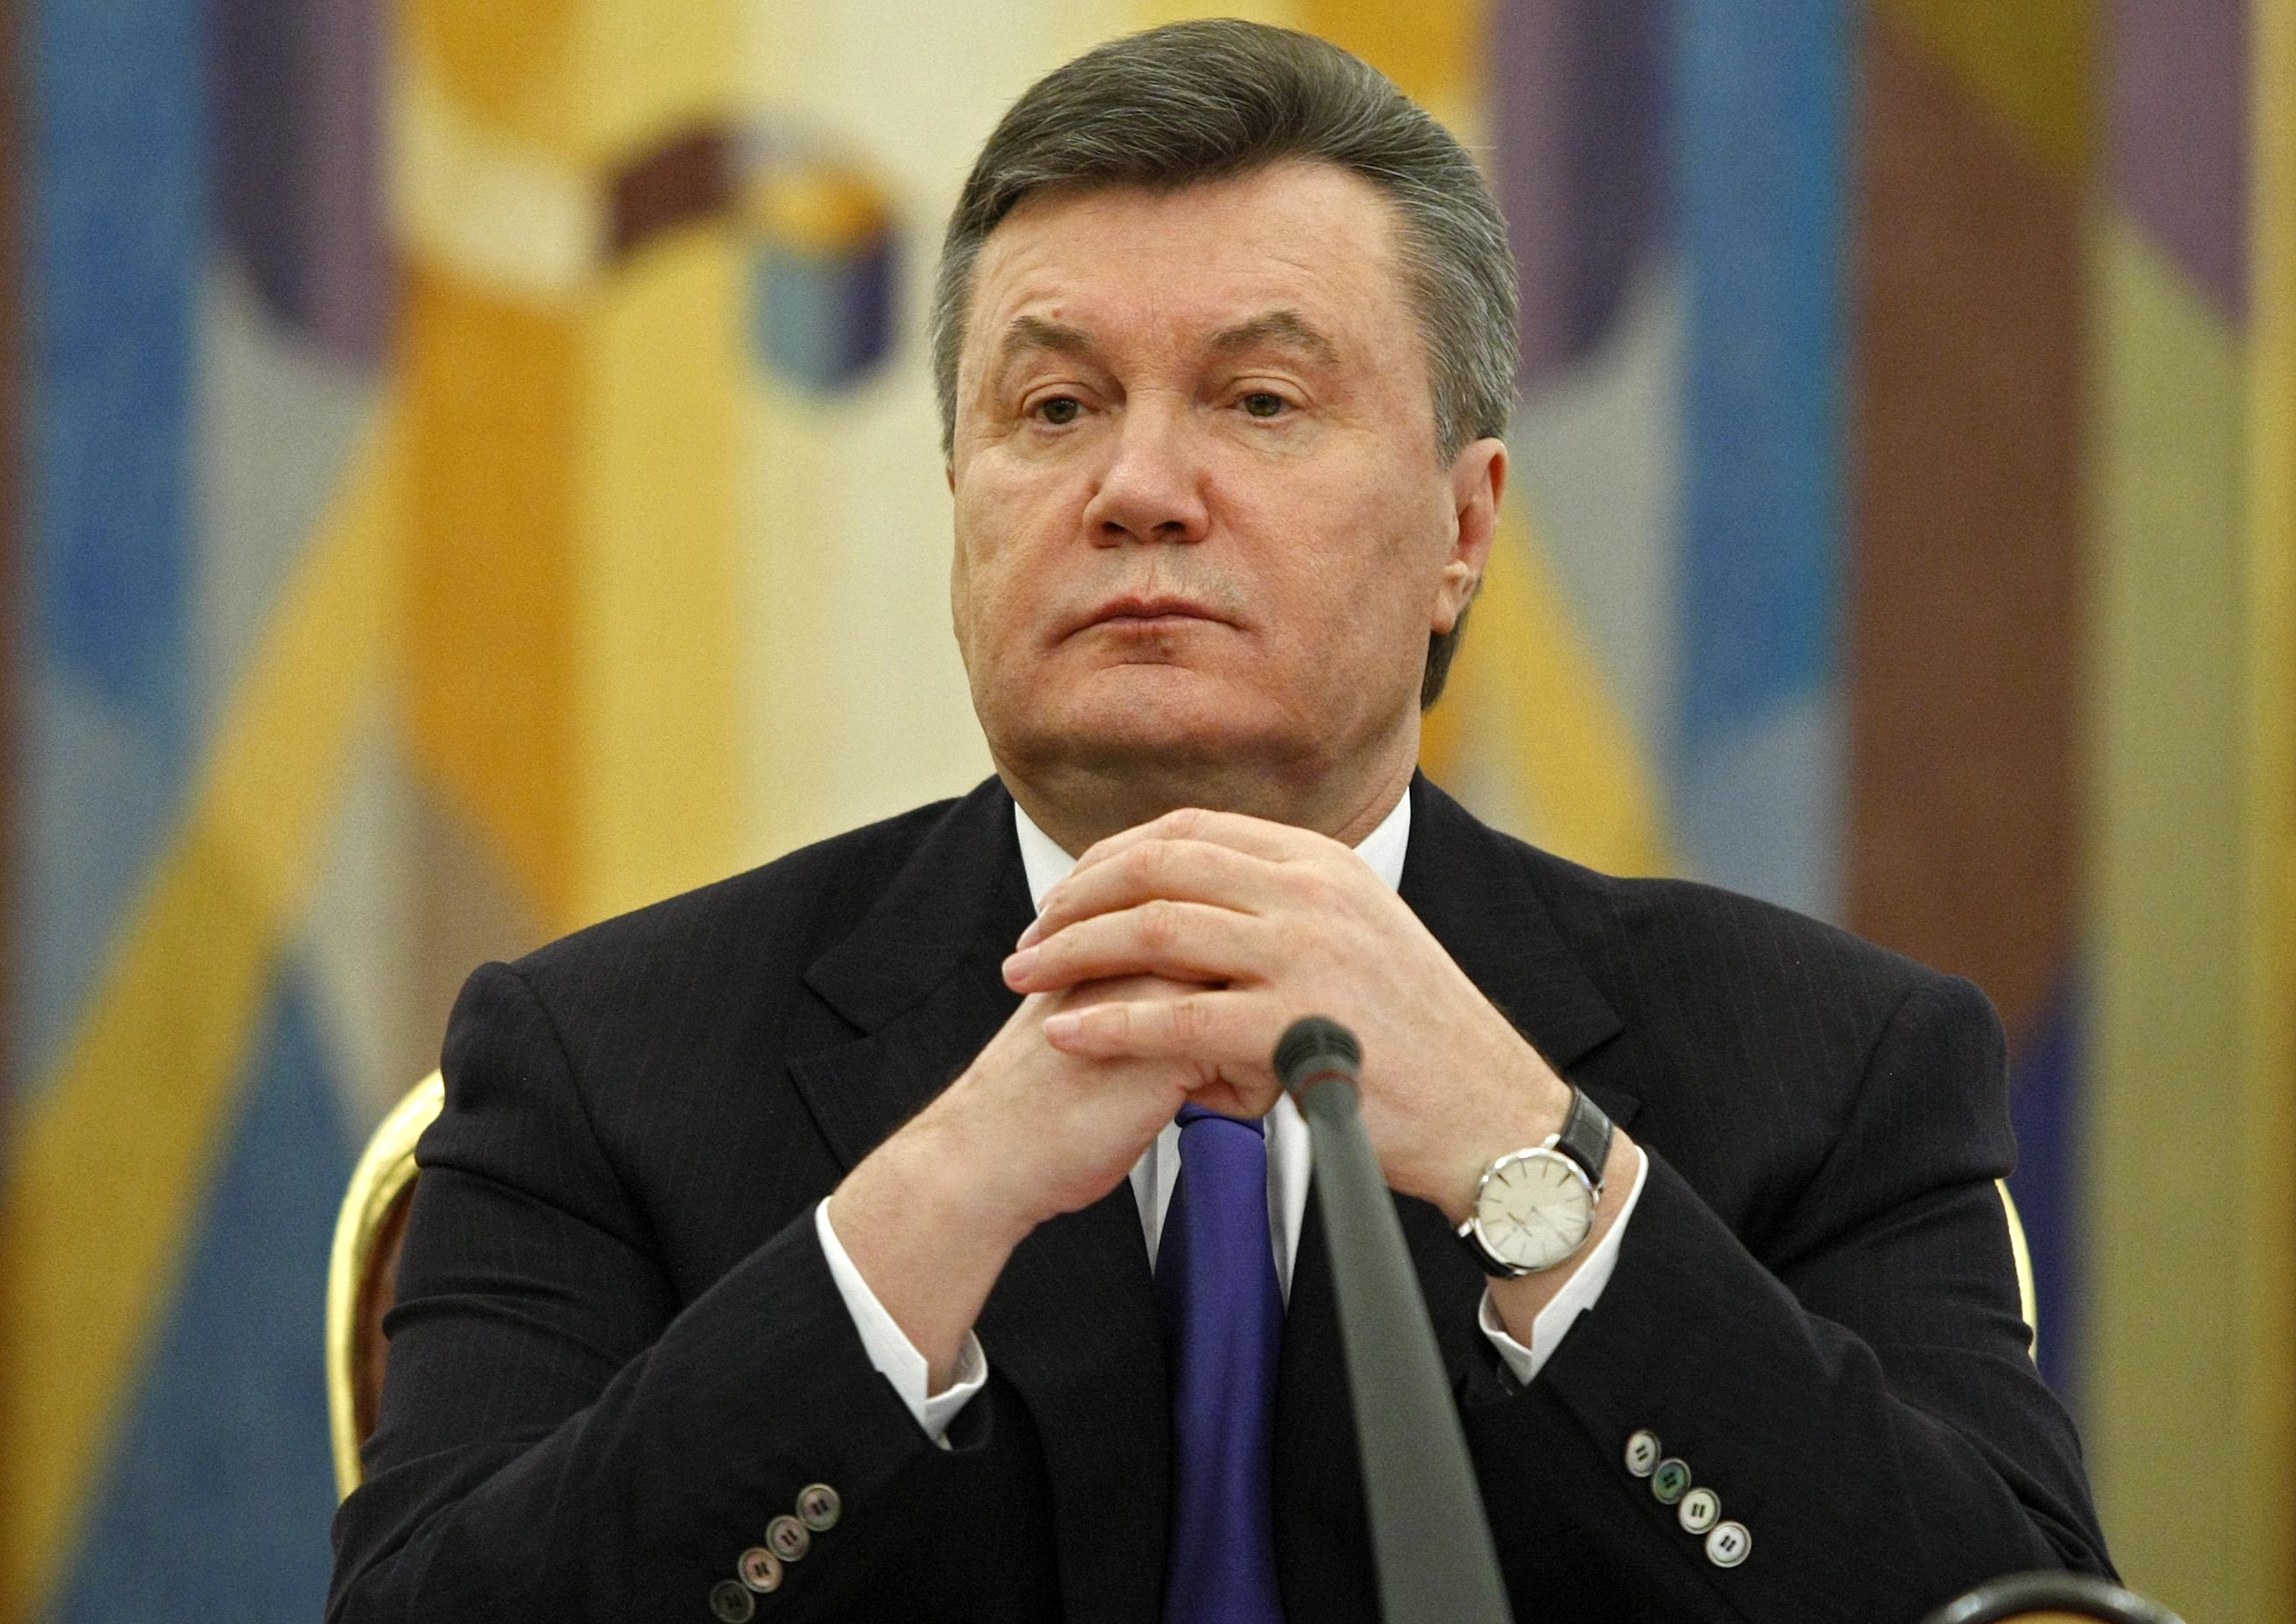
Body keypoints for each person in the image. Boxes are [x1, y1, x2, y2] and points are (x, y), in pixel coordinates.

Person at [329, 20, 2111, 1623]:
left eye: (1259, 402)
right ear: (959, 497)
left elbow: (2007, 1606)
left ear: (1462, 527)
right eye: (1053, 407)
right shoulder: (601, 1064)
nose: (1137, 489)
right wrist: (933, 1205)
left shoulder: (1823, 1067)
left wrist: (1531, 1168)